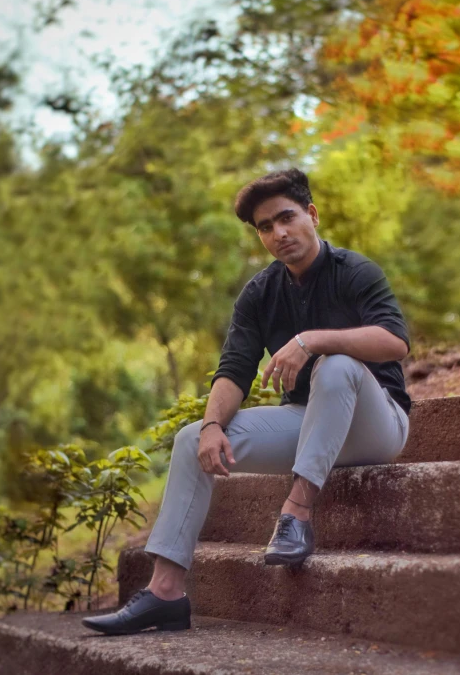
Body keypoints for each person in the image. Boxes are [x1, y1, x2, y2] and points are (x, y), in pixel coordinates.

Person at [82, 168, 411, 636]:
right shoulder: (259, 293)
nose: (279, 233)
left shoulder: (355, 272)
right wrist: (213, 425)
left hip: (376, 426)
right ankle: (165, 594)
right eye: (265, 227)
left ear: (311, 215)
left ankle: (295, 516)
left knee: (335, 364)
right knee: (192, 437)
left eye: (287, 218)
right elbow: (234, 370)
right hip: (308, 424)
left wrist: (312, 339)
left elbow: (395, 342)